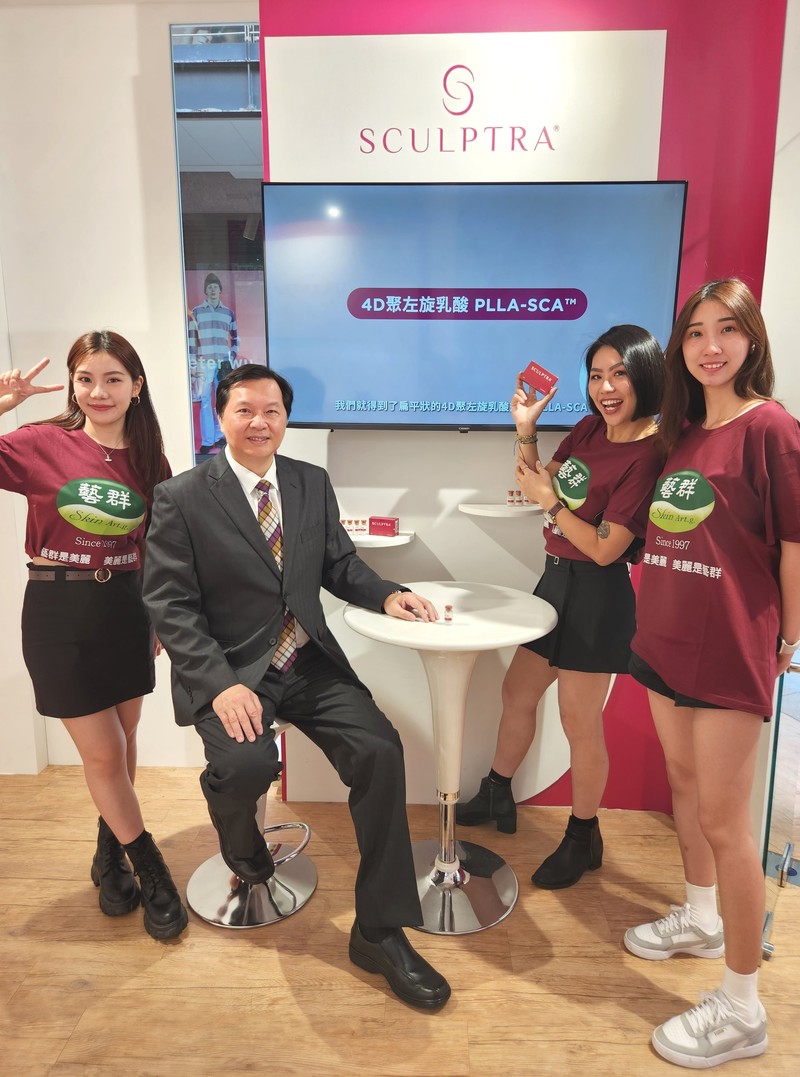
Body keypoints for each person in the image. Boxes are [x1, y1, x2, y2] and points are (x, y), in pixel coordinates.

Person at [142, 362, 451, 1009]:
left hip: (306, 660)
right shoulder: (182, 496)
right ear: (221, 416)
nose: (259, 422)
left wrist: (387, 593)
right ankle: (241, 843)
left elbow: (338, 563)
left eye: (272, 411)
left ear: (286, 418)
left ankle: (379, 930)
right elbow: (170, 604)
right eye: (245, 410)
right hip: (231, 671)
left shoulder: (309, 481)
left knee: (380, 750)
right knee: (246, 765)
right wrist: (220, 685)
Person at [624, 279, 800, 1069]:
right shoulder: (685, 431)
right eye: (695, 332)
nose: (710, 346)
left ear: (751, 339)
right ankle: (699, 917)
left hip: (729, 646)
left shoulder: (772, 428)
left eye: (727, 329)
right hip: (665, 639)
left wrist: (789, 633)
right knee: (686, 787)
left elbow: (794, 543)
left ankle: (742, 1007)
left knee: (729, 824)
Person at [457, 325, 666, 889]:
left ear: (646, 376)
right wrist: (526, 429)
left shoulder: (651, 452)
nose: (606, 388)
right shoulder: (589, 429)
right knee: (517, 692)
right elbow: (534, 482)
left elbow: (604, 548)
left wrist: (551, 505)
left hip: (599, 595)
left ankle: (582, 836)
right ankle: (498, 792)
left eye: (619, 374)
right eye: (596, 376)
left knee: (579, 722)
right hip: (554, 580)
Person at [0, 332, 188, 940]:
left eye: (112, 379)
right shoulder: (40, 442)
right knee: (103, 752)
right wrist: (4, 403)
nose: (98, 392)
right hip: (58, 608)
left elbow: (156, 546)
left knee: (125, 737)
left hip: (126, 607)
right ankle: (152, 869)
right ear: (74, 385)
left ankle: (109, 854)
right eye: (86, 379)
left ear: (136, 386)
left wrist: (158, 615)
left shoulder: (151, 460)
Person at [188, 272, 238, 454]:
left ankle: (219, 436)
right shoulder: (197, 312)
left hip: (223, 362)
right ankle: (208, 441)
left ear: (220, 290)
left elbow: (235, 337)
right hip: (204, 362)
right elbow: (191, 339)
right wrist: (193, 362)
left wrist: (231, 357)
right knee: (205, 401)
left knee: (222, 400)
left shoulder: (228, 313)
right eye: (209, 287)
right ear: (205, 291)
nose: (213, 290)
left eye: (215, 287)